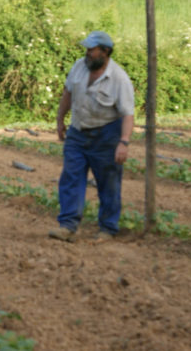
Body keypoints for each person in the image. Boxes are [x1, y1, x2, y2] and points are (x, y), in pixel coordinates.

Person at [49, 31, 134, 243]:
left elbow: (127, 114)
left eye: (91, 50)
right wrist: (60, 120)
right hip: (78, 133)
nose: (87, 53)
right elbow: (67, 93)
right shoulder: (79, 66)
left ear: (105, 52)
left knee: (108, 183)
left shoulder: (119, 79)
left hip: (106, 135)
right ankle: (68, 226)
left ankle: (107, 228)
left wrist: (123, 142)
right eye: (87, 49)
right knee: (71, 177)